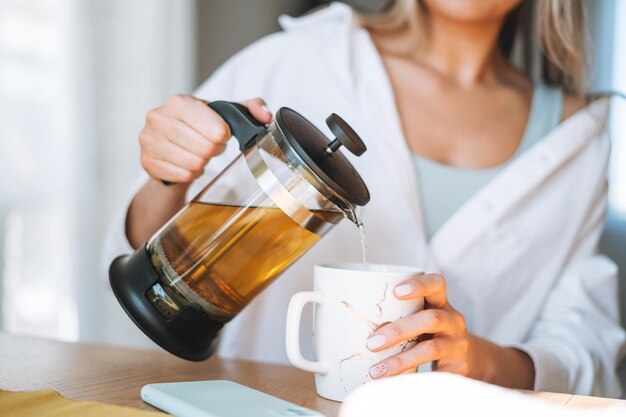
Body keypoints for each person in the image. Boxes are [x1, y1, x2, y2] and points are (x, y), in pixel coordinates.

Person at [103, 0, 626, 397]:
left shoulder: (577, 139)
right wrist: (166, 176)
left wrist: (479, 362)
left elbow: (587, 346)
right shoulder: (301, 57)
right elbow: (139, 260)